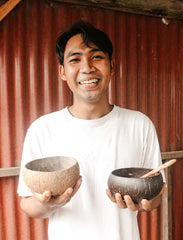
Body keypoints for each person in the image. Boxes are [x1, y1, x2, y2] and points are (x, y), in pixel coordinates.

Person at [17, 21, 165, 240]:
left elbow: (156, 196)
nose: (87, 67)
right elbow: (27, 205)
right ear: (62, 72)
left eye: (96, 57)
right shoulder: (43, 129)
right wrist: (46, 203)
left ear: (112, 67)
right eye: (75, 59)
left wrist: (145, 203)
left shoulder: (139, 124)